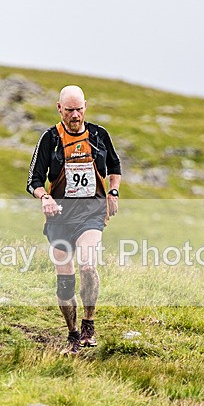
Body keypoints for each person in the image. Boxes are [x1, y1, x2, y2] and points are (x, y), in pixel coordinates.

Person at [26, 85, 122, 354]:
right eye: (69, 110)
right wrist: (44, 197)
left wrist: (113, 192)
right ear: (60, 109)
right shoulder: (50, 139)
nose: (75, 115)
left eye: (79, 109)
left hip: (91, 213)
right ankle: (72, 334)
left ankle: (89, 324)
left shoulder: (99, 135)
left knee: (88, 266)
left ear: (85, 107)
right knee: (65, 283)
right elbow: (33, 180)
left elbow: (115, 166)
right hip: (59, 218)